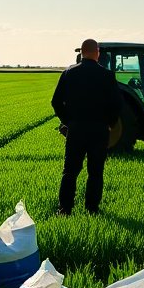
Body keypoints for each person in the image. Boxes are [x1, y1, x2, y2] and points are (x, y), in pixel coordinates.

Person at [51, 38, 120, 215]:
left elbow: (56, 102)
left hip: (76, 129)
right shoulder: (107, 75)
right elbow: (116, 106)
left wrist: (68, 122)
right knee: (95, 172)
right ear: (97, 52)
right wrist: (109, 124)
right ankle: (92, 209)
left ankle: (65, 209)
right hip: (99, 130)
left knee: (70, 171)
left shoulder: (69, 73)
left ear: (82, 52)